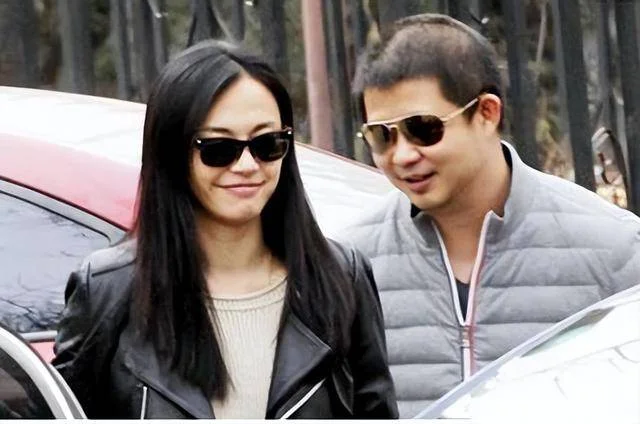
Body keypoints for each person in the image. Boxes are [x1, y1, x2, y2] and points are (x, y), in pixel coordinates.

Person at [52, 40, 398, 419]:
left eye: (267, 144)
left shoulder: (341, 277)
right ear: (172, 153)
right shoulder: (108, 290)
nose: (247, 166)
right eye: (218, 149)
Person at [340, 13, 640, 418]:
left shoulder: (614, 248)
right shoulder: (348, 265)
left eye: (423, 128)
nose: (403, 155)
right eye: (382, 135)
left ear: (486, 112)